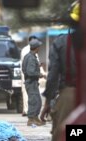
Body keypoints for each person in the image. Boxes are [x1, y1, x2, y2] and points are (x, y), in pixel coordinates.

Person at [40, 1, 79, 140]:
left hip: (69, 97)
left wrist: (47, 103)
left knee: (64, 134)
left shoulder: (61, 42)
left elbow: (53, 76)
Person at [20, 36, 46, 116]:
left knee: (37, 101)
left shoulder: (30, 56)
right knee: (34, 102)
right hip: (31, 82)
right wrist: (40, 74)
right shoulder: (31, 57)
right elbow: (30, 72)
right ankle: (31, 118)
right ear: (36, 48)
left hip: (31, 82)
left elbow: (27, 68)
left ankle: (34, 118)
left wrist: (37, 66)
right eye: (39, 47)